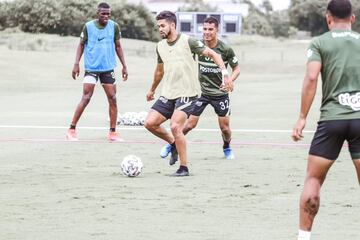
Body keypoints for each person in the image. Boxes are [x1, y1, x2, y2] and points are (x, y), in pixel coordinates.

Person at [292, 0, 360, 239]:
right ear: (352, 18)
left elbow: (311, 78)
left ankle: (304, 237)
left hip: (331, 120)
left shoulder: (320, 42)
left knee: (313, 180)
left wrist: (301, 118)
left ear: (328, 18)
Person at [144, 11, 232, 177]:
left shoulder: (188, 41)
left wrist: (225, 74)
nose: (160, 29)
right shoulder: (160, 46)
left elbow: (214, 54)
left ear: (173, 25)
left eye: (163, 25)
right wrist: (152, 90)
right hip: (168, 92)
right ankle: (173, 143)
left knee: (176, 126)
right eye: (158, 26)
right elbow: (159, 72)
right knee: (150, 123)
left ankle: (183, 168)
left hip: (188, 93)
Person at [160, 17, 240, 160]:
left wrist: (229, 80)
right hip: (201, 93)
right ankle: (172, 145)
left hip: (220, 94)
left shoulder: (225, 49)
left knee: (225, 128)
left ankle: (226, 147)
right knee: (189, 125)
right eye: (204, 29)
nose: (207, 32)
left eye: (211, 29)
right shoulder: (198, 45)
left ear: (217, 30)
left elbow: (237, 69)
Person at [66, 2, 128, 141]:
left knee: (113, 99)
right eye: (103, 14)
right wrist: (76, 64)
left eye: (108, 14)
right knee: (86, 97)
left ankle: (112, 133)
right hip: (91, 68)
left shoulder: (114, 26)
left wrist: (124, 66)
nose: (106, 16)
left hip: (108, 68)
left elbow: (118, 46)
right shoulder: (88, 26)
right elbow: (81, 45)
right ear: (97, 13)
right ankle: (71, 129)